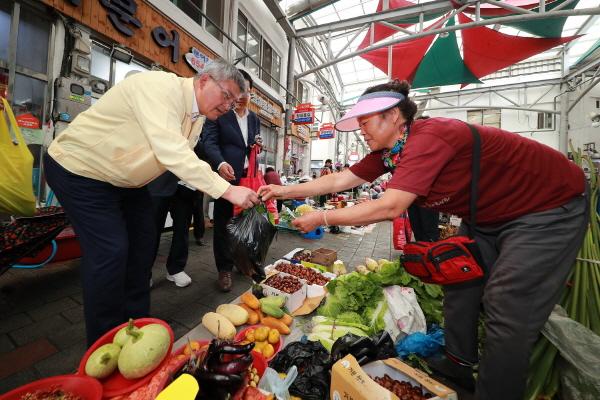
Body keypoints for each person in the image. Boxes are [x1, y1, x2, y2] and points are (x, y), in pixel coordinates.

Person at [259, 80, 589, 400]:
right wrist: (283, 190)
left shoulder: (431, 136)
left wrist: (323, 218)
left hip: (546, 208)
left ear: (394, 116)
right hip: (488, 216)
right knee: (459, 280)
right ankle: (459, 363)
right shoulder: (389, 153)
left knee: (508, 308)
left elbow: (391, 206)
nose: (361, 129)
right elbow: (341, 180)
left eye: (366, 120)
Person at [44, 59, 260, 345]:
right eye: (226, 96)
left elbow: (185, 156)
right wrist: (228, 190)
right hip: (80, 169)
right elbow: (171, 150)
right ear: (205, 80)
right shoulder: (158, 87)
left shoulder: (197, 115)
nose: (228, 106)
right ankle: (103, 345)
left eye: (234, 102)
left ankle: (136, 330)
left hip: (125, 180)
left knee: (143, 246)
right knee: (110, 251)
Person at [202, 69, 261, 292]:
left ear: (251, 92)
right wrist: (219, 164)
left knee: (245, 224)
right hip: (227, 179)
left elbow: (251, 144)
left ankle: (243, 262)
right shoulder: (221, 113)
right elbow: (209, 142)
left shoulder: (254, 118)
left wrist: (256, 146)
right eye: (240, 90)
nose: (243, 94)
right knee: (224, 225)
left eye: (247, 90)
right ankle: (224, 269)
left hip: (249, 180)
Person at [147, 141, 205, 288]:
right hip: (159, 178)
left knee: (182, 228)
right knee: (151, 230)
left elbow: (205, 148)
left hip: (187, 184)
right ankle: (143, 272)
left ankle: (176, 268)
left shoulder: (205, 123)